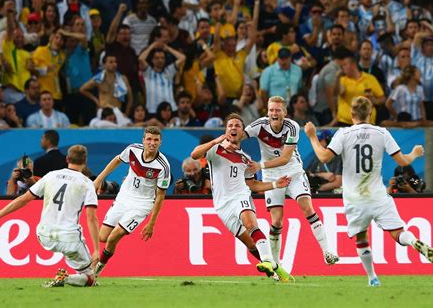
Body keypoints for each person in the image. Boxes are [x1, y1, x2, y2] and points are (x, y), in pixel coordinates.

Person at [304, 96, 433, 286]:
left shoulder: (343, 133)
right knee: (398, 232)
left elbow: (324, 157)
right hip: (377, 195)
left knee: (361, 238)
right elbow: (402, 161)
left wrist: (311, 136)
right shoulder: (382, 133)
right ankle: (413, 241)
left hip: (355, 198)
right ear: (371, 113)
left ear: (351, 115)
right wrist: (415, 153)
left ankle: (372, 278)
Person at [191, 113, 294, 283]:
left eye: (237, 125)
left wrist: (276, 184)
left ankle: (268, 261)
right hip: (222, 205)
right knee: (251, 245)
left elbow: (252, 185)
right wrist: (215, 141)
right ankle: (276, 269)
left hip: (240, 196)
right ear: (225, 130)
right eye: (230, 125)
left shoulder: (246, 159)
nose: (233, 128)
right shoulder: (215, 150)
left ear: (242, 132)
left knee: (251, 224)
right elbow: (195, 155)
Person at [0, 145, 100, 288]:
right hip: (69, 238)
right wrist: (96, 249)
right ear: (85, 161)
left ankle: (75, 273)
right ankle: (66, 277)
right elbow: (91, 217)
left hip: (44, 236)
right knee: (90, 278)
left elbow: (23, 199)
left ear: (67, 159)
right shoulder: (87, 183)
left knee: (79, 266)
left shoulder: (51, 175)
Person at [245, 96, 339, 267]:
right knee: (277, 221)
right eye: (271, 110)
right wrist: (228, 143)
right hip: (271, 176)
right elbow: (240, 136)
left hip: (293, 172)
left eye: (278, 110)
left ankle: (327, 252)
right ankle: (276, 264)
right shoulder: (259, 125)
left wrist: (260, 165)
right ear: (267, 112)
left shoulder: (292, 127)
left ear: (285, 112)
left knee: (307, 208)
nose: (274, 113)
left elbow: (285, 158)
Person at [93, 126, 171, 278]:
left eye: (156, 140)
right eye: (149, 139)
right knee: (102, 237)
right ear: (143, 140)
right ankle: (96, 265)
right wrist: (98, 179)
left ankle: (96, 269)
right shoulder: (133, 150)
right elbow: (117, 160)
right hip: (124, 198)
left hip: (142, 205)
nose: (152, 143)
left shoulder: (163, 166)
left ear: (160, 142)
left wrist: (151, 223)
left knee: (114, 236)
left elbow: (160, 195)